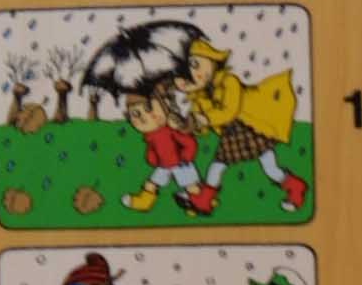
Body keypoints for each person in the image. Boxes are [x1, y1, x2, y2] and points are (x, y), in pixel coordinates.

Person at [175, 37, 307, 217]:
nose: (194, 74)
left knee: (270, 168)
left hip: (250, 129)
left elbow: (229, 111)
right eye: (187, 75)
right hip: (231, 135)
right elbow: (202, 128)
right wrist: (187, 125)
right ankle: (204, 200)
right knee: (218, 166)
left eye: (196, 64)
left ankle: (295, 187)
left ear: (213, 61)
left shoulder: (229, 81)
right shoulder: (199, 98)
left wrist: (204, 118)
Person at [120, 84, 200, 213]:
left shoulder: (171, 131)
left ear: (165, 106)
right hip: (164, 165)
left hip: (181, 164)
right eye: (135, 114)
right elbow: (152, 149)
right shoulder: (150, 137)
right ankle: (144, 202)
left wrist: (186, 156)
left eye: (148, 108)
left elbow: (189, 143)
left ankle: (199, 203)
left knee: (191, 186)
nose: (143, 117)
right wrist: (152, 158)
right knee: (151, 184)